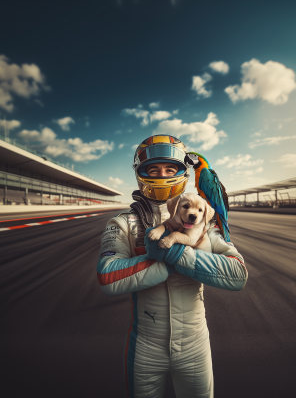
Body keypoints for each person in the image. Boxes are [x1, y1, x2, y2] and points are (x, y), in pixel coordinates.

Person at [97, 135, 247, 398]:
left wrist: (174, 253)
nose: (161, 175)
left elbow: (238, 274)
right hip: (145, 346)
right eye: (152, 169)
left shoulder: (205, 221)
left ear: (184, 172)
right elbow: (107, 277)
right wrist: (176, 263)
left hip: (195, 345)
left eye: (170, 168)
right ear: (140, 174)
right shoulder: (123, 223)